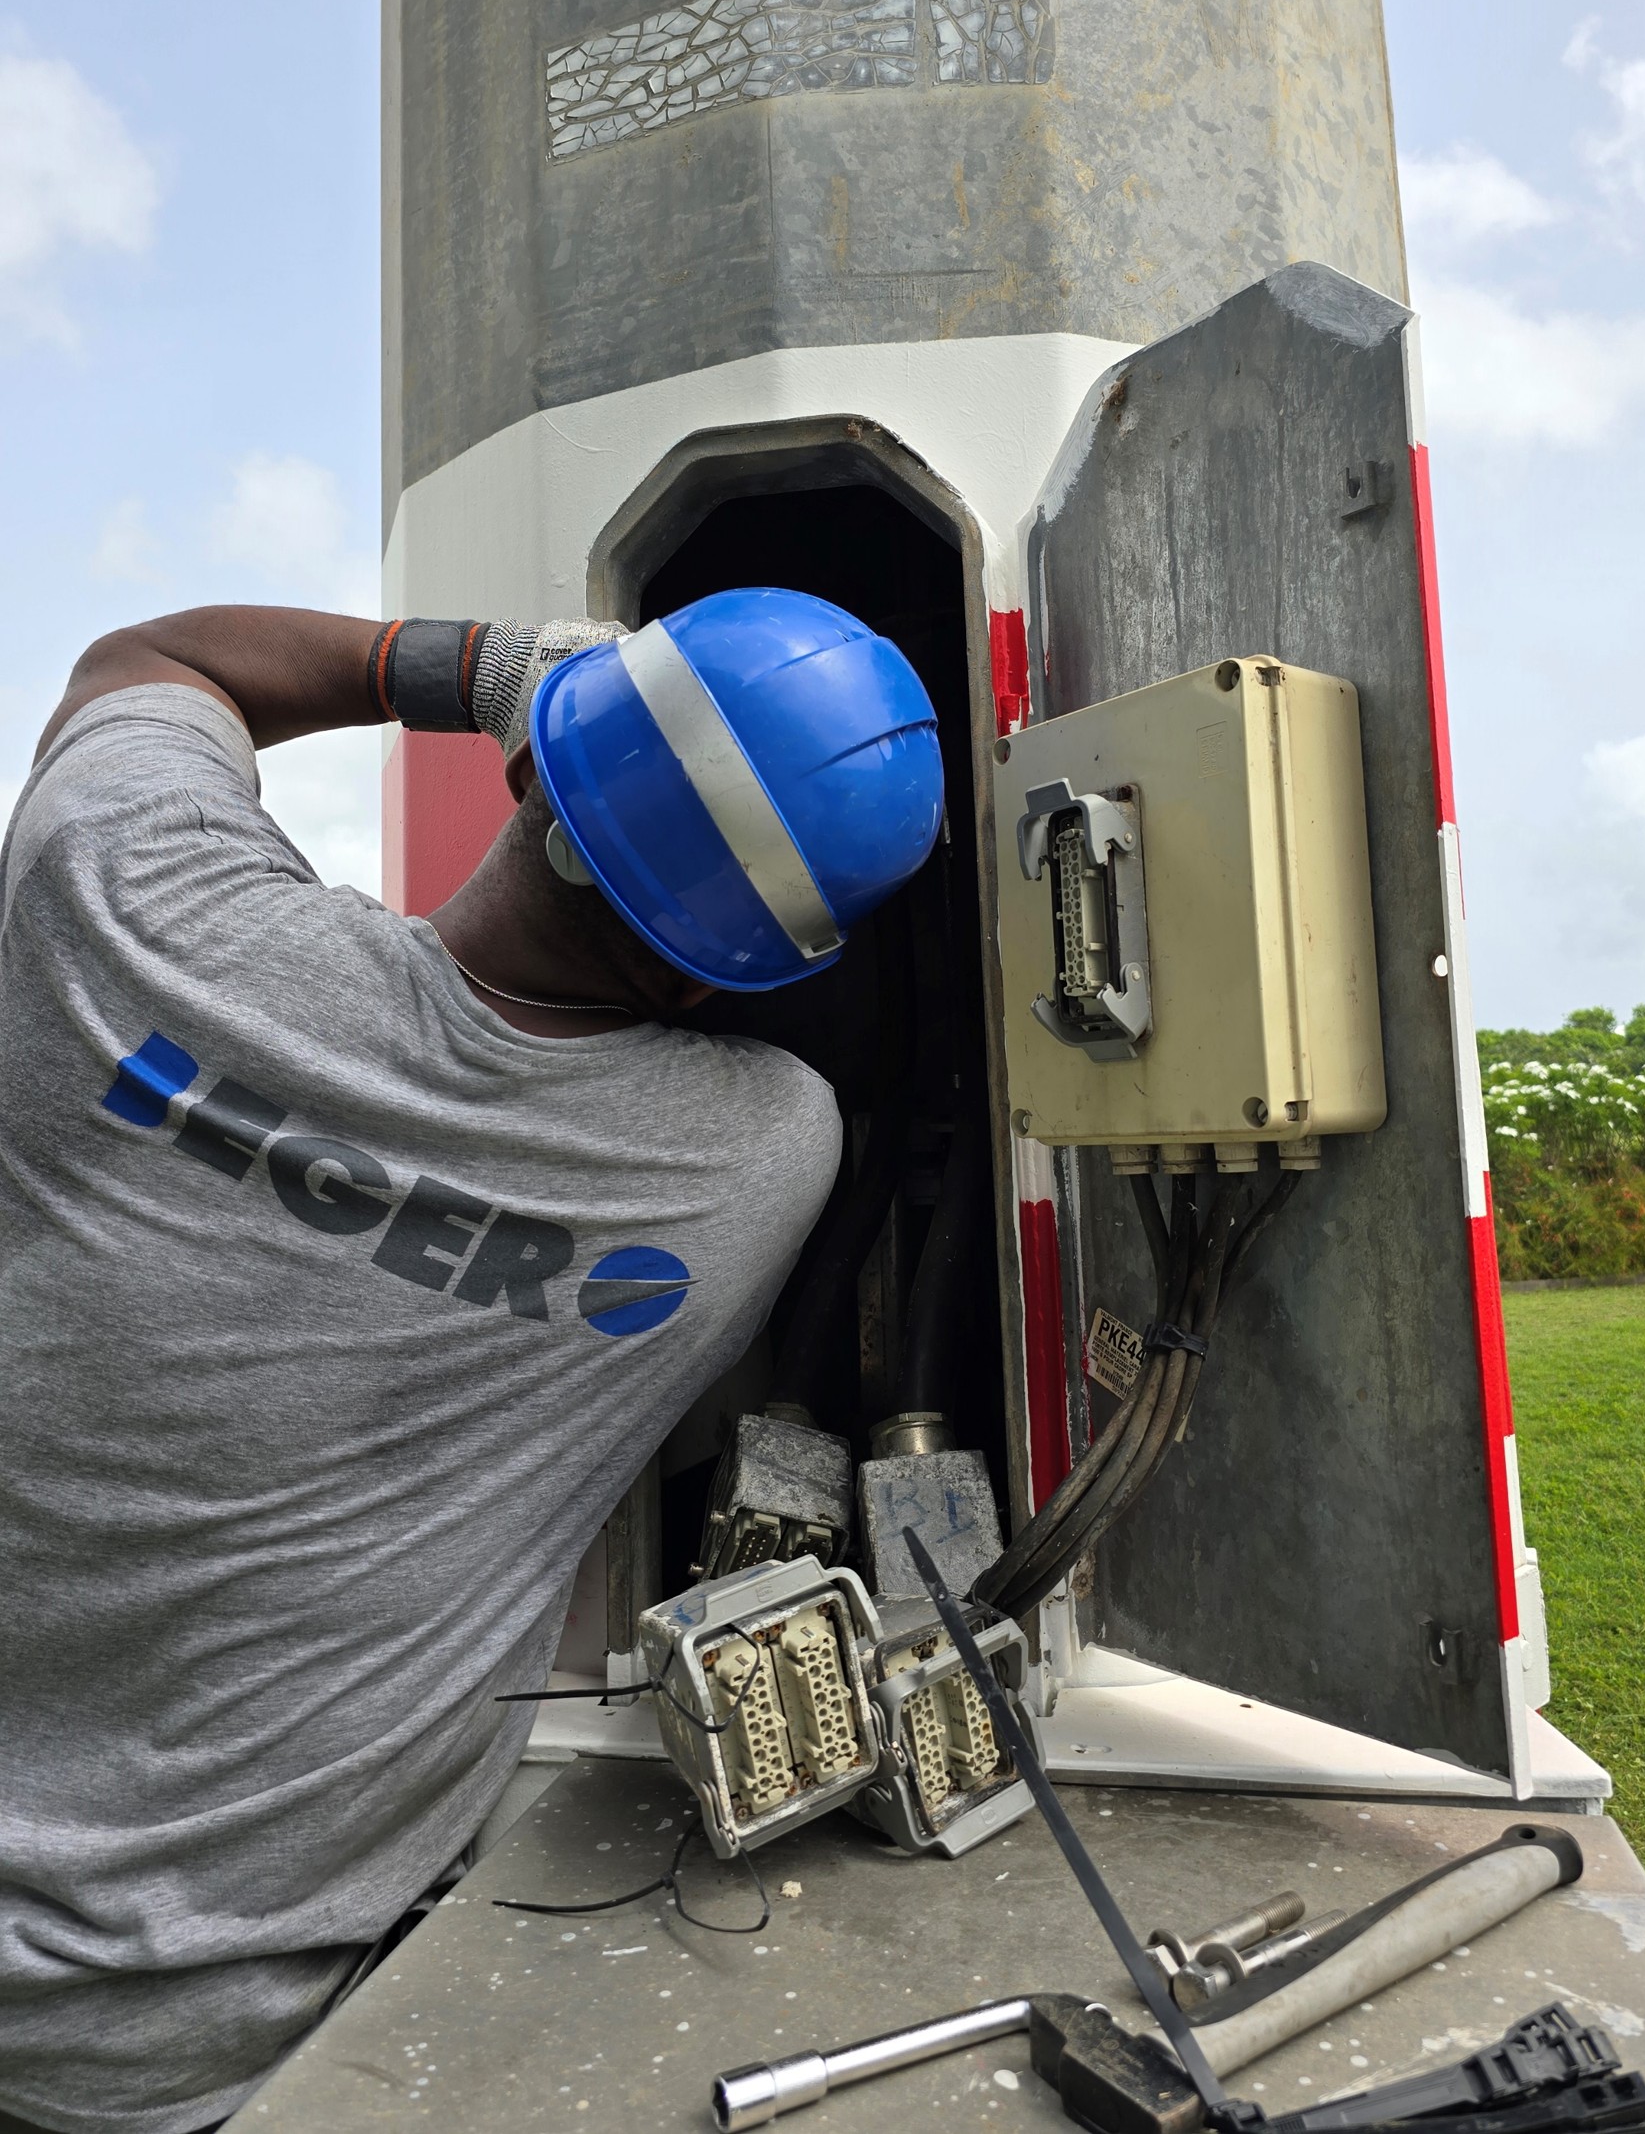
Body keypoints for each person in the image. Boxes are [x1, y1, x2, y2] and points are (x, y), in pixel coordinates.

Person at [0, 593, 944, 2134]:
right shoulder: (752, 1158)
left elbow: (152, 664)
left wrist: (476, 667)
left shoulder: (124, 909)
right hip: (178, 2056)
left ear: (526, 778)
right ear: (730, 973)